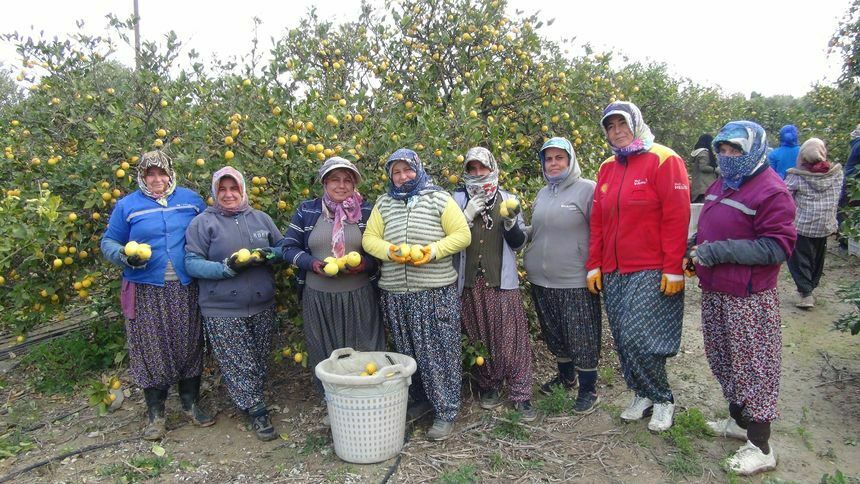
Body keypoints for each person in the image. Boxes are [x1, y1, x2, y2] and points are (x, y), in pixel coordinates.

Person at [688, 121, 796, 476]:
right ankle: (739, 422)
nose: (728, 156)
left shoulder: (771, 191)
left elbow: (777, 246)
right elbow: (715, 223)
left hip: (747, 298)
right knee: (723, 360)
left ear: (754, 150)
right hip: (717, 289)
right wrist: (695, 245)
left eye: (736, 149)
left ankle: (761, 447)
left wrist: (718, 251)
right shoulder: (726, 181)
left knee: (754, 368)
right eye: (723, 149)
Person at [586, 101, 690, 432]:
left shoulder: (664, 159)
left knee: (641, 335)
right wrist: (594, 265)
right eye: (610, 127)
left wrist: (673, 267)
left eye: (622, 124)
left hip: (651, 266)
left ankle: (663, 398)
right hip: (614, 269)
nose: (616, 132)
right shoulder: (607, 167)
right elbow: (598, 221)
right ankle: (642, 393)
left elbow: (677, 217)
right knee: (622, 336)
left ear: (636, 123)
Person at [100, 151, 213, 440]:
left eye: (161, 173)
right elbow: (109, 241)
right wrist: (125, 258)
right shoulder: (128, 206)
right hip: (145, 290)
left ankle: (190, 404)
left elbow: (210, 231)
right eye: (150, 174)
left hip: (186, 287)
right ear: (141, 176)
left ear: (171, 173)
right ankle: (156, 414)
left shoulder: (191, 201)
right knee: (151, 348)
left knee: (189, 344)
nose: (156, 179)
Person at [362, 148, 471, 441]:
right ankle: (422, 401)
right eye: (396, 172)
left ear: (418, 168)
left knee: (439, 353)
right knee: (407, 353)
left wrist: (431, 252)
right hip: (396, 293)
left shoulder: (439, 198)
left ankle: (446, 411)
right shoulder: (384, 203)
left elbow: (462, 235)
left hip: (434, 291)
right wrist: (391, 251)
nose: (402, 176)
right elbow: (369, 239)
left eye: (407, 170)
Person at [184, 166, 284, 441]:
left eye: (234, 188)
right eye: (222, 189)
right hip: (222, 307)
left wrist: (268, 255)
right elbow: (192, 263)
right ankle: (257, 411)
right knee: (238, 361)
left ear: (243, 190)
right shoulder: (203, 223)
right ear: (215, 192)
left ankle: (251, 399)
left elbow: (284, 248)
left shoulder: (260, 219)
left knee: (258, 358)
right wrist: (225, 269)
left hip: (262, 303)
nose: (229, 194)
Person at [278, 157, 384, 397]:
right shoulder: (308, 210)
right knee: (326, 352)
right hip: (319, 298)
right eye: (335, 179)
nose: (341, 185)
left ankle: (366, 399)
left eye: (348, 180)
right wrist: (312, 264)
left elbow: (378, 252)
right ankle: (335, 403)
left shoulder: (366, 211)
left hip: (359, 297)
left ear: (355, 184)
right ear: (324, 182)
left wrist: (364, 265)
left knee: (364, 351)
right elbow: (288, 248)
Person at [452, 147, 535, 421]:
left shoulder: (509, 199)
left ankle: (521, 393)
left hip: (501, 282)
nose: (477, 173)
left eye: (482, 168)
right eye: (471, 169)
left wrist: (511, 224)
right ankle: (489, 385)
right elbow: (448, 239)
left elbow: (519, 244)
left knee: (511, 339)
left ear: (492, 168)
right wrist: (465, 215)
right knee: (478, 337)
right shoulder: (456, 200)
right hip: (468, 283)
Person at [523, 137, 602, 415]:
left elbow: (600, 232)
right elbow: (539, 229)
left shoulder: (587, 190)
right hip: (541, 278)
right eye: (548, 159)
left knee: (582, 335)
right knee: (554, 332)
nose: (553, 163)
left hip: (575, 278)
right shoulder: (544, 192)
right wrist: (520, 231)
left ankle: (588, 388)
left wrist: (595, 266)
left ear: (570, 160)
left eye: (559, 158)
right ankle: (566, 376)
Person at [784, 139, 843, 308]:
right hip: (825, 224)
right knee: (817, 257)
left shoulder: (797, 176)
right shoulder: (836, 173)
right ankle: (811, 287)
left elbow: (784, 196)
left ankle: (806, 293)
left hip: (802, 225)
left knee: (798, 257)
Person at [837, 124, 860, 249]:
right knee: (843, 210)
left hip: (851, 182)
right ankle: (845, 242)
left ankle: (846, 241)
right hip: (852, 184)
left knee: (844, 210)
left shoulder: (855, 143)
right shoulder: (859, 145)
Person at [689, 134, 719, 203]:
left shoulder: (696, 152)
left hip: (698, 187)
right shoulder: (704, 153)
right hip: (705, 186)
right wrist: (715, 169)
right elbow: (703, 167)